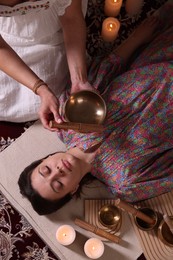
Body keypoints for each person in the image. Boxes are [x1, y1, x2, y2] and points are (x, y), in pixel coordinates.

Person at [18, 3, 173, 215]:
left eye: (46, 169)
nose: (58, 171)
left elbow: (109, 66)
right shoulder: (125, 183)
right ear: (72, 191)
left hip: (159, 58)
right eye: (58, 185)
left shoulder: (66, 116)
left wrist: (138, 38)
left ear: (44, 159)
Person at [0, 0, 92, 130]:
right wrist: (40, 89)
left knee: (56, 90)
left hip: (52, 23)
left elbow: (71, 18)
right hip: (8, 35)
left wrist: (79, 80)